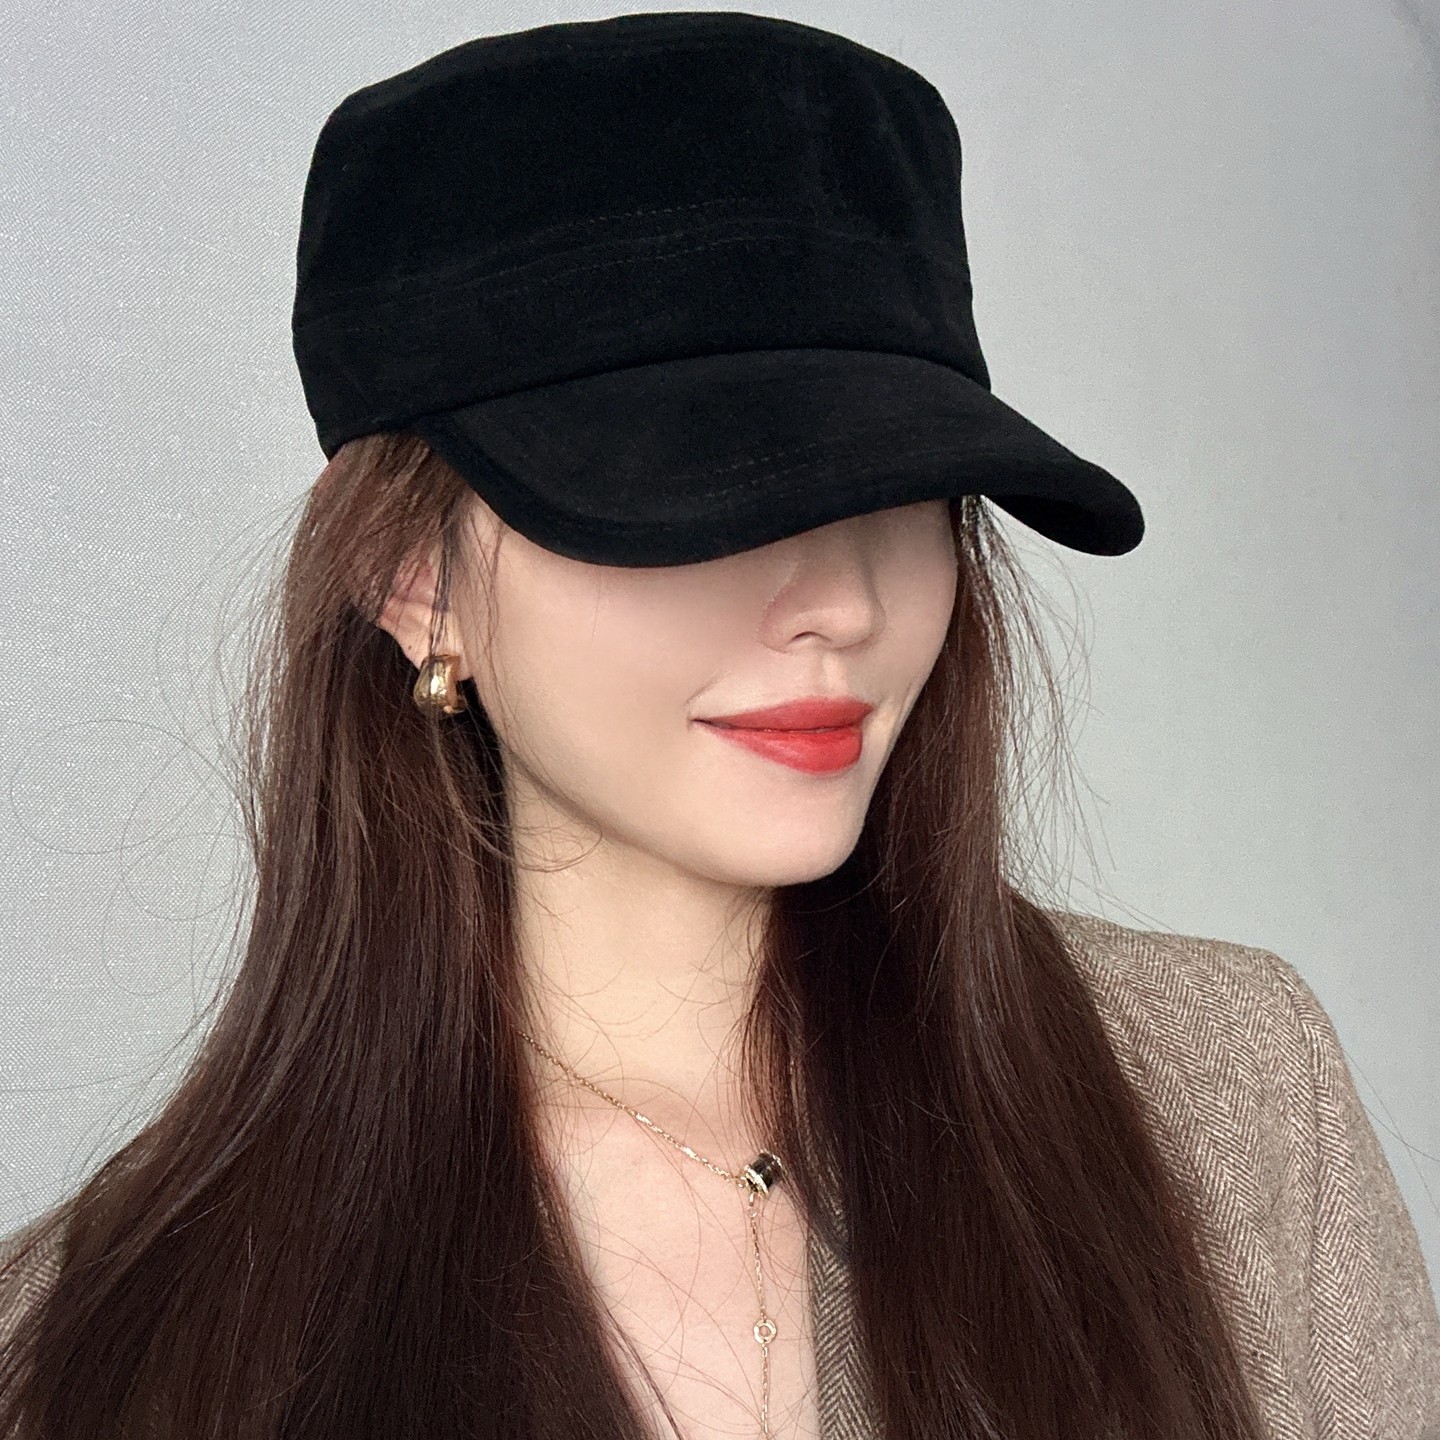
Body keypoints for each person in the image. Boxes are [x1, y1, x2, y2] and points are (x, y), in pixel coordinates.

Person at [1, 12, 1437, 1440]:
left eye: (899, 487)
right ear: (409, 575)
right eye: (700, 490)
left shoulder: (1230, 1092)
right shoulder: (90, 1346)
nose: (841, 602)